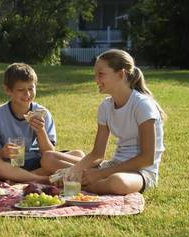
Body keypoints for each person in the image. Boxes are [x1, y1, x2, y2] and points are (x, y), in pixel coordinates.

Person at [42, 49, 166, 195]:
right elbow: (97, 154)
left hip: (140, 172)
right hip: (113, 166)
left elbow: (147, 159)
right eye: (95, 75)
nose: (96, 80)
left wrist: (99, 174)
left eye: (101, 74)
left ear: (121, 74)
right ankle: (79, 180)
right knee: (49, 158)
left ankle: (80, 185)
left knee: (117, 183)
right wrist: (73, 170)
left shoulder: (142, 105)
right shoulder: (105, 107)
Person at [0, 63, 82, 183]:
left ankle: (21, 178)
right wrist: (2, 152)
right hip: (10, 165)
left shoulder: (42, 113)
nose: (27, 94)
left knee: (78, 154)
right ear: (8, 90)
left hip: (38, 163)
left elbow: (49, 153)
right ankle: (40, 179)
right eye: (21, 90)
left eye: (30, 88)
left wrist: (41, 131)